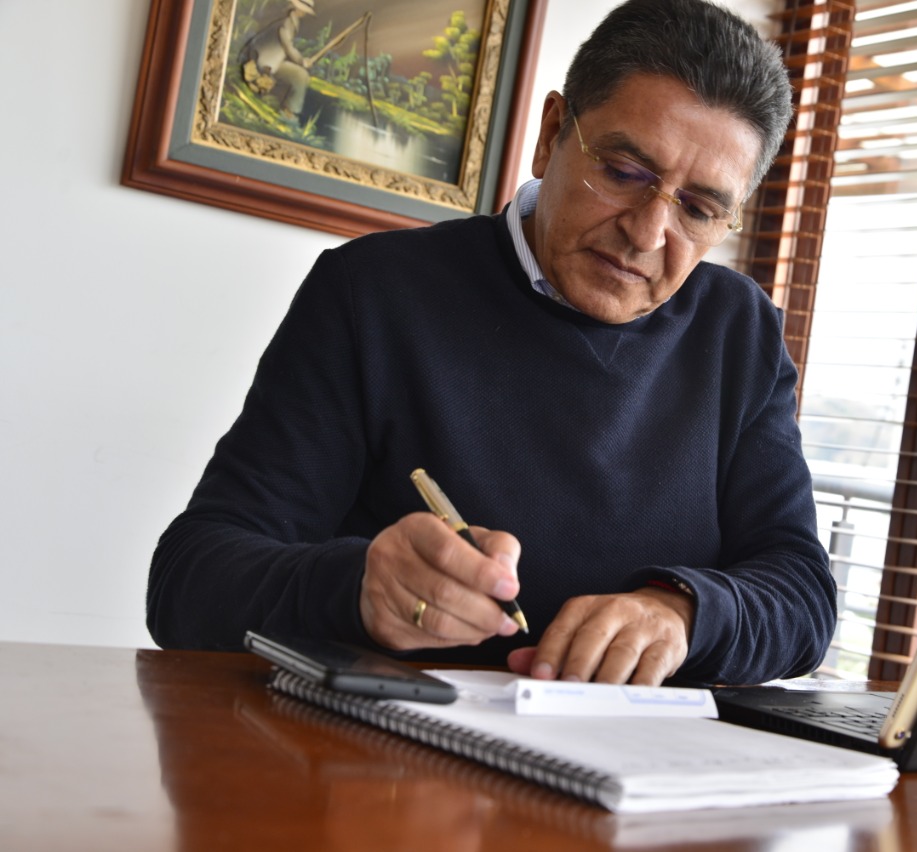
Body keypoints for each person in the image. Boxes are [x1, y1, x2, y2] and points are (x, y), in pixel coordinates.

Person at [147, 0, 836, 687]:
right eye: (624, 172)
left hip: (640, 751)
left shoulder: (739, 330)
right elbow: (188, 581)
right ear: (552, 132)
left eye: (699, 209)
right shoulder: (373, 293)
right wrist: (356, 588)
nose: (649, 233)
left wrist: (685, 612)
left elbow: (802, 595)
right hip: (396, 746)